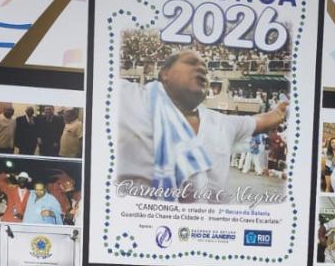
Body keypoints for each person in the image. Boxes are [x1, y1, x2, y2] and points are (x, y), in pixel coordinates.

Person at [114, 48, 289, 200]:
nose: (201, 69)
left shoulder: (222, 123)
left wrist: (283, 110)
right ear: (165, 73)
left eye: (206, 70)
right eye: (191, 62)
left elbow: (263, 120)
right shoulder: (128, 97)